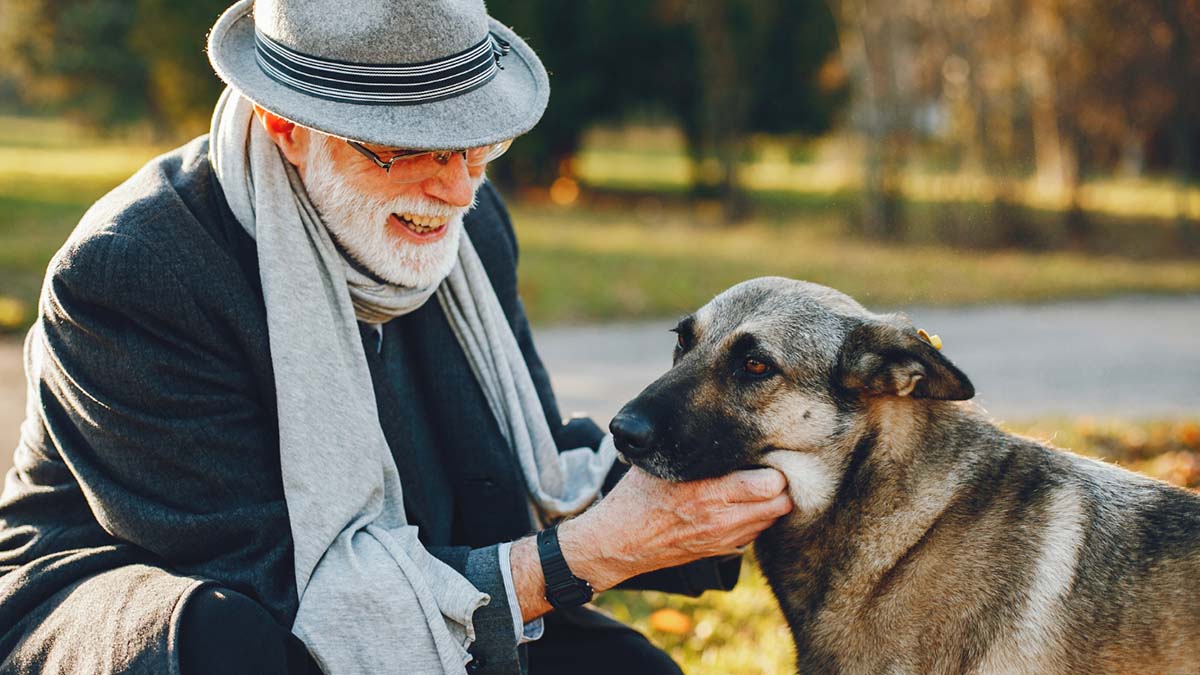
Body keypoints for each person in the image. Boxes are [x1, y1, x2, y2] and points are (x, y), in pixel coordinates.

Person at [0, 1, 793, 673]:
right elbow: (279, 594)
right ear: (286, 124)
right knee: (228, 646)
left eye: (480, 141)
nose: (458, 186)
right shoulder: (135, 271)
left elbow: (518, 472)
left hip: (424, 573)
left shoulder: (473, 221)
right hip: (169, 610)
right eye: (411, 148)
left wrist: (734, 481)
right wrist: (584, 556)